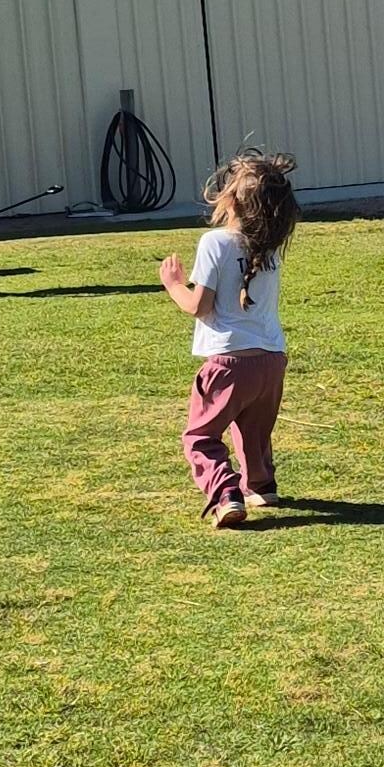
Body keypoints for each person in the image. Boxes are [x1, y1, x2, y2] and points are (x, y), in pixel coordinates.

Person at [160, 150, 299, 528]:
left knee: (200, 435)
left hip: (228, 360)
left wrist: (173, 284)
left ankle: (226, 494)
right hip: (271, 359)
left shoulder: (215, 242)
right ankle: (261, 485)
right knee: (255, 429)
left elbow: (198, 306)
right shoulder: (270, 248)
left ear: (231, 199)